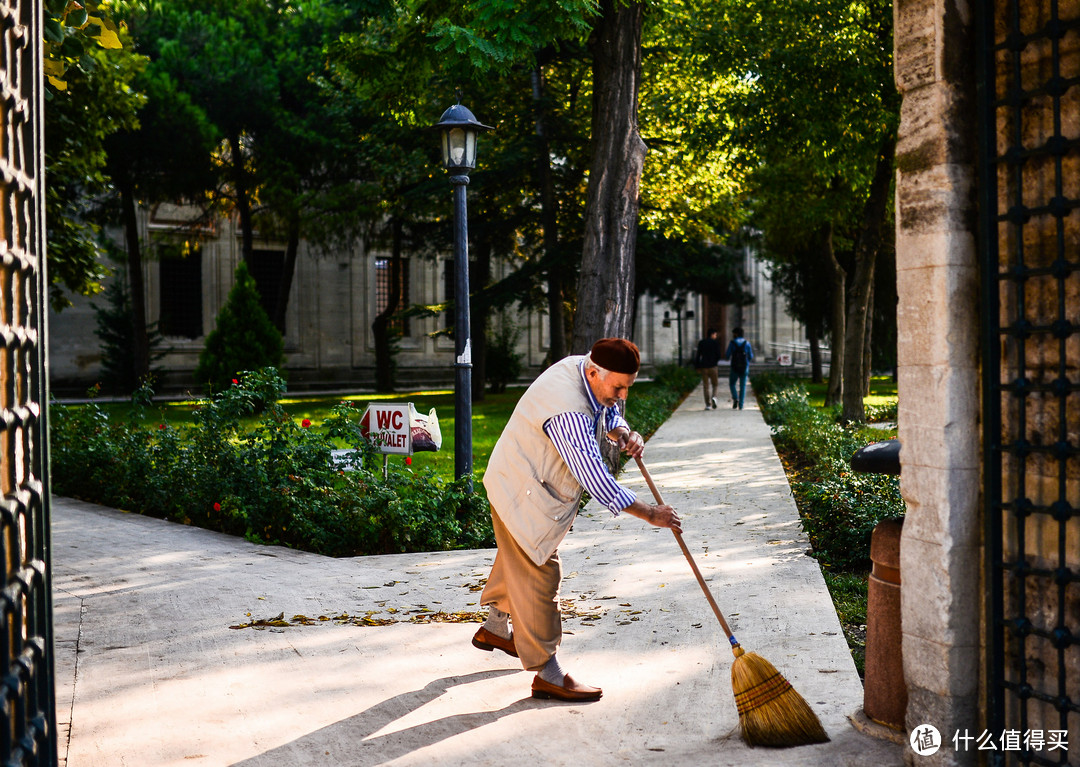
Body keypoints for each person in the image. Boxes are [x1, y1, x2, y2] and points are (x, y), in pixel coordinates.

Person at [472, 337, 682, 702]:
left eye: (627, 388)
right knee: (539, 568)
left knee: (518, 553)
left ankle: (494, 628)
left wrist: (622, 432)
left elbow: (606, 409)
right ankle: (548, 673)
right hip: (522, 490)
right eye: (618, 387)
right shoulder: (568, 411)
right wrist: (650, 513)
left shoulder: (583, 370)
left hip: (520, 480)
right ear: (593, 371)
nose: (621, 395)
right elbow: (595, 478)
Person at [725, 326, 754, 410]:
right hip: (744, 367)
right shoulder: (747, 343)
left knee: (732, 383)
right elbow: (750, 356)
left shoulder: (732, 343)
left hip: (734, 366)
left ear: (736, 334)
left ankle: (735, 397)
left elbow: (727, 355)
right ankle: (741, 405)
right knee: (743, 386)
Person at [692, 328, 723, 409]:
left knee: (706, 386)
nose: (716, 336)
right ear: (712, 334)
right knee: (715, 384)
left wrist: (697, 366)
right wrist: (715, 362)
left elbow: (698, 355)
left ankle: (708, 404)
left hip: (704, 367)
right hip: (713, 366)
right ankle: (714, 397)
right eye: (715, 334)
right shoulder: (715, 343)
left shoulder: (701, 343)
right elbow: (719, 355)